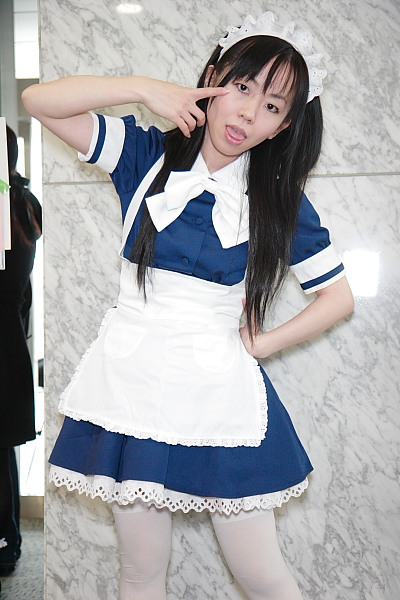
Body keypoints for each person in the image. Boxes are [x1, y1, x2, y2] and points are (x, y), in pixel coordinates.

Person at [22, 11, 354, 600]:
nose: (248, 113)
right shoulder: (146, 155)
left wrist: (263, 343)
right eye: (242, 87)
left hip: (218, 388)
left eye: (272, 106)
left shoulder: (277, 200)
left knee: (261, 575)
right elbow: (39, 101)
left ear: (282, 127)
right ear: (213, 78)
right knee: (141, 570)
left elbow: (338, 297)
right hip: (133, 381)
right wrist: (143, 89)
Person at [0, 125, 42, 576]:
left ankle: (5, 542)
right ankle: (7, 540)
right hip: (10, 334)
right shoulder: (24, 203)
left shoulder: (9, 205)